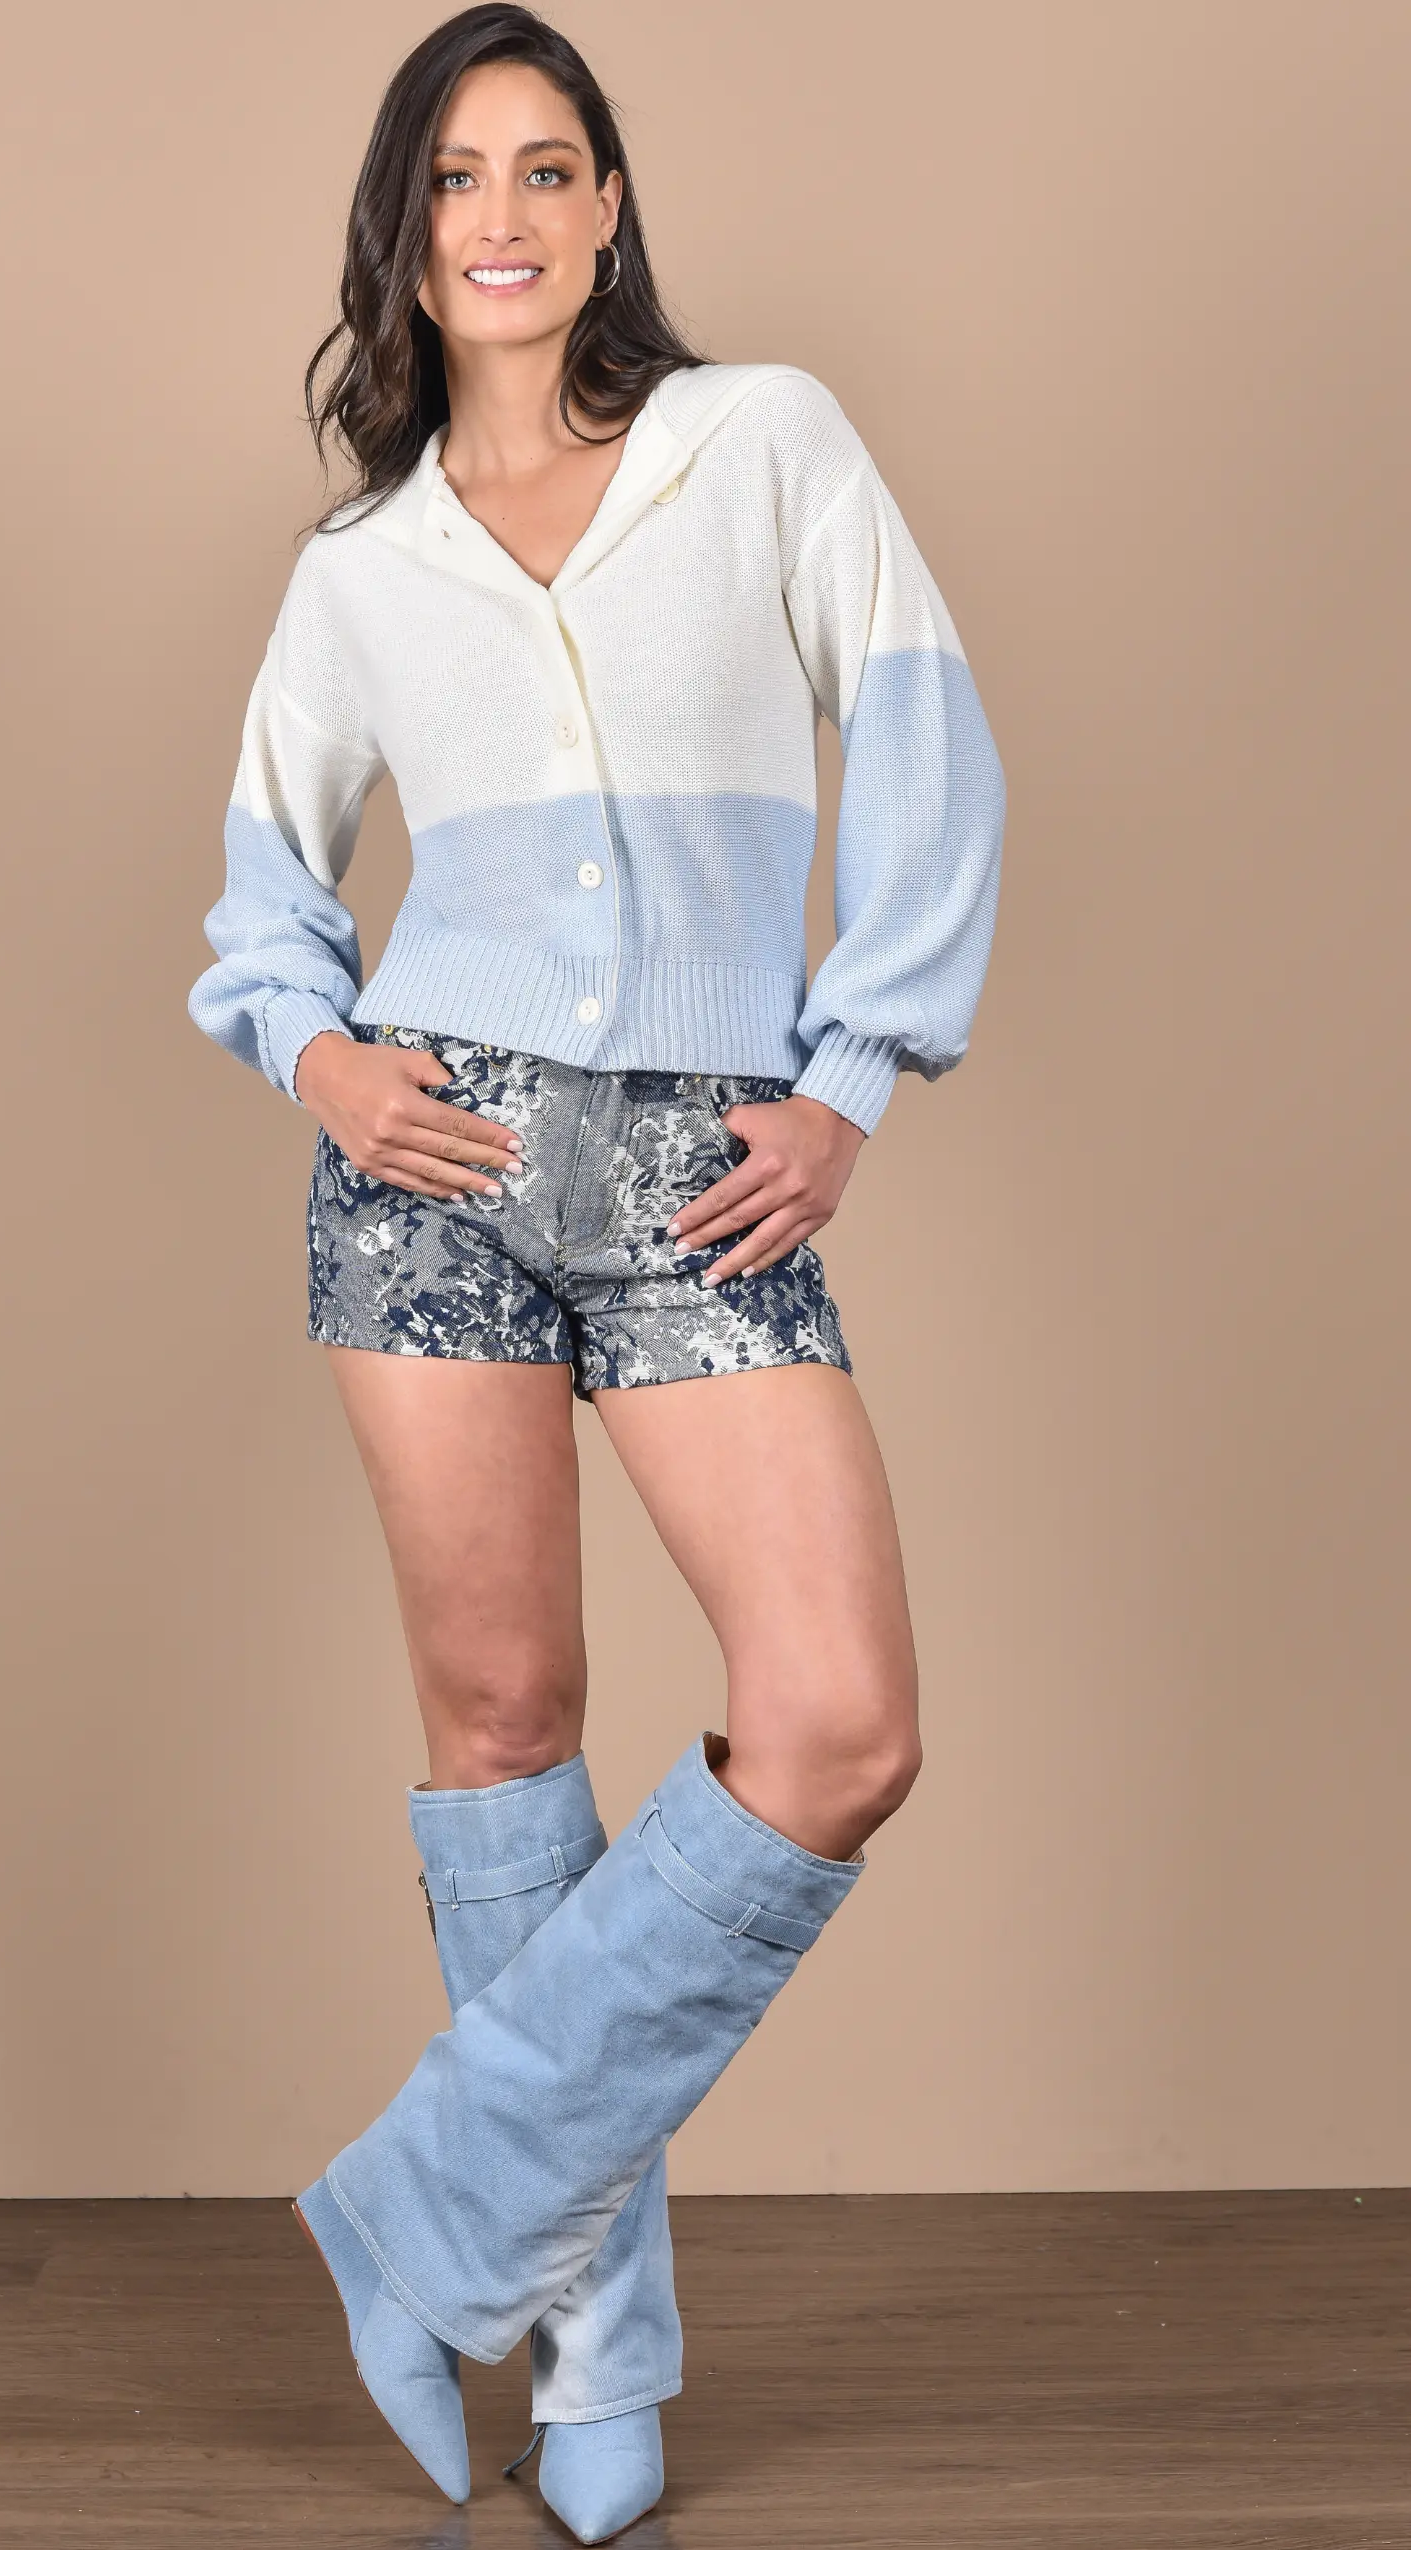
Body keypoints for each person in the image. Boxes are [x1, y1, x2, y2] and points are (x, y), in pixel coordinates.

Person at [187, 6, 1005, 2538]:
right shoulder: (361, 570)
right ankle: (594, 2361)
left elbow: (928, 737)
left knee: (833, 1720)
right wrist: (317, 1059)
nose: (506, 215)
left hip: (695, 1169)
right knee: (503, 1723)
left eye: (549, 168)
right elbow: (262, 896)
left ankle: (417, 2215)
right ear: (409, 228)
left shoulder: (760, 444)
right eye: (459, 177)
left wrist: (849, 1072)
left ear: (608, 207)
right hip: (428, 1165)